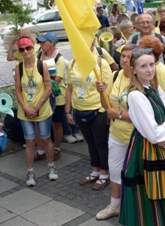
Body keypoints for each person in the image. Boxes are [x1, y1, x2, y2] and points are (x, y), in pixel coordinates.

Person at [120, 47, 165, 225]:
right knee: (152, 190)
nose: (149, 69)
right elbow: (154, 135)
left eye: (151, 64)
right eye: (143, 66)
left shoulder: (154, 87)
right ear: (134, 69)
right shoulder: (136, 95)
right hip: (146, 150)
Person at [94, 44, 137, 220]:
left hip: (137, 137)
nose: (125, 60)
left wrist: (118, 114)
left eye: (129, 57)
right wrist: (101, 94)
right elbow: (107, 106)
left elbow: (148, 115)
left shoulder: (141, 78)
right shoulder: (116, 75)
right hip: (116, 134)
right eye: (123, 56)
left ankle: (138, 208)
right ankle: (115, 206)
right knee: (114, 170)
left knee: (138, 174)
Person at [66, 43, 113, 190]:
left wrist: (103, 90)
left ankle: (105, 174)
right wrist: (68, 111)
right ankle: (95, 170)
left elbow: (109, 89)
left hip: (98, 110)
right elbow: (69, 88)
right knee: (90, 142)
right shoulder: (73, 62)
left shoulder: (101, 63)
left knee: (101, 143)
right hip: (79, 110)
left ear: (93, 43)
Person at [14, 37, 58, 186]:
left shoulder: (42, 65)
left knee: (46, 138)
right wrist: (25, 107)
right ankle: (30, 171)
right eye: (22, 49)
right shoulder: (19, 68)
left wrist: (38, 106)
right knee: (30, 141)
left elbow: (48, 88)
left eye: (28, 48)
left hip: (42, 108)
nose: (25, 51)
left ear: (33, 48)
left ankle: (51, 167)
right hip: (25, 111)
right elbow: (18, 90)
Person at [37, 32, 69, 160]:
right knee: (41, 123)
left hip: (57, 97)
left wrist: (42, 81)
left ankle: (57, 148)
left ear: (52, 43)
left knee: (56, 123)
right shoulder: (39, 55)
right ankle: (42, 149)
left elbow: (57, 79)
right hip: (43, 95)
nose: (41, 44)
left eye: (44, 42)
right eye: (40, 42)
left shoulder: (59, 59)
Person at [129, 13, 165, 80]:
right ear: (136, 25)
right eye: (142, 23)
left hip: (160, 78)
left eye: (148, 22)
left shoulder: (162, 39)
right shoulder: (132, 40)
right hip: (139, 80)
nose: (145, 25)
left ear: (153, 24)